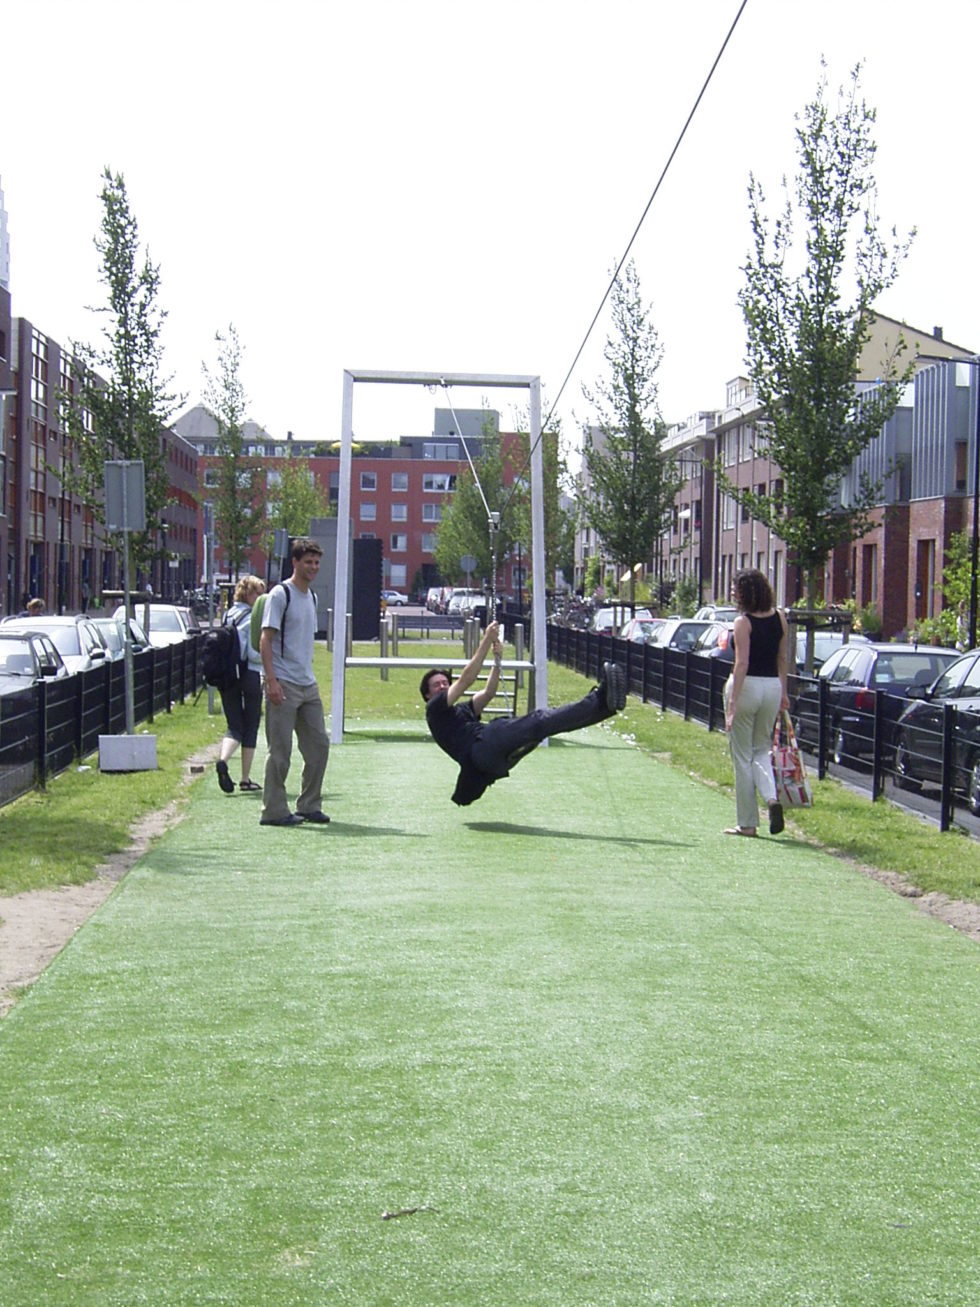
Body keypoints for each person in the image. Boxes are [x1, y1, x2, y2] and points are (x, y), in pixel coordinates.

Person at [420, 620, 627, 806]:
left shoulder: (459, 711)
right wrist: (486, 640)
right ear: (428, 695)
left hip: (492, 763)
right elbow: (467, 679)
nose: (442, 686)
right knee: (538, 720)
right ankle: (600, 697)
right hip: (482, 747)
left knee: (543, 727)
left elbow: (489, 692)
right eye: (436, 685)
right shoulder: (434, 708)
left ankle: (604, 706)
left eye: (445, 682)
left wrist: (497, 661)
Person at [259, 537, 331, 827]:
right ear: (295, 562)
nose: (313, 567)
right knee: (280, 751)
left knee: (319, 745)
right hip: (283, 683)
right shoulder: (280, 595)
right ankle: (273, 810)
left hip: (307, 684)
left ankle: (309, 804)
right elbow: (266, 639)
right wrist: (271, 680)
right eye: (308, 562)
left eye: (316, 562)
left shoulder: (311, 597)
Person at [723, 568, 790, 837]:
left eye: (735, 588)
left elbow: (742, 663)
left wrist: (732, 703)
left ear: (745, 593)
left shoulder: (743, 622)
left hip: (747, 686)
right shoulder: (780, 619)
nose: (732, 593)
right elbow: (783, 659)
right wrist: (783, 691)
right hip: (772, 686)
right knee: (762, 750)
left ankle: (748, 823)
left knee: (742, 756)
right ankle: (772, 799)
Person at [215, 575, 266, 795]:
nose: (261, 597)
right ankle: (245, 779)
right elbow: (254, 651)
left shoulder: (228, 614)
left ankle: (223, 760)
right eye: (258, 593)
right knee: (251, 725)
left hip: (227, 676)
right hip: (250, 674)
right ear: (248, 594)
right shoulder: (252, 616)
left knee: (233, 725)